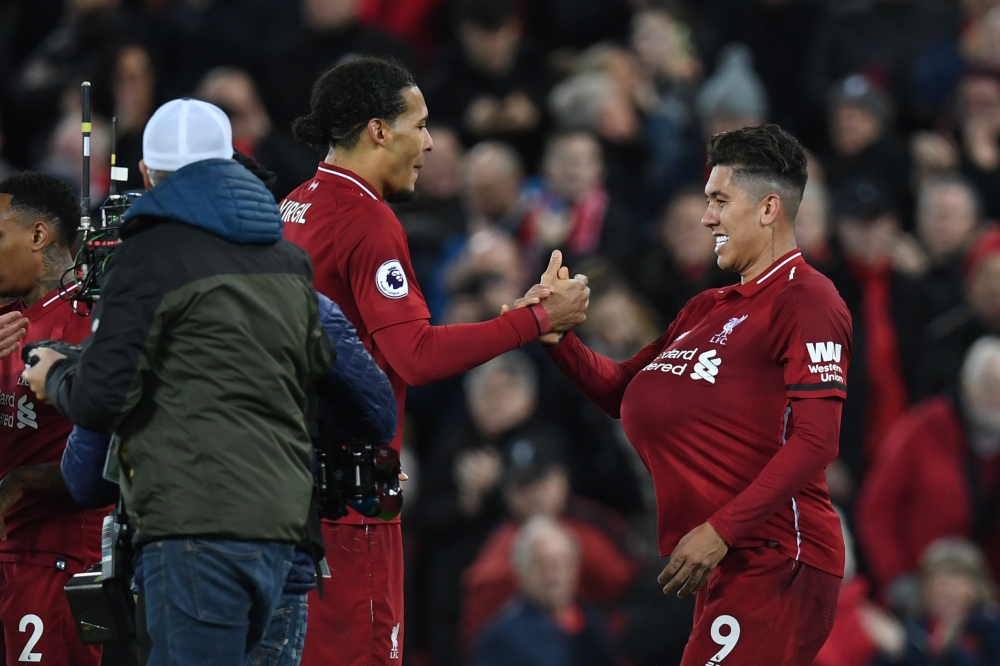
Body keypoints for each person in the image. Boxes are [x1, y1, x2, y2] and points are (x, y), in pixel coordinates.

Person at [280, 55, 589, 666]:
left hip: (294, 494)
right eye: (419, 126)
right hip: (349, 503)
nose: (428, 143)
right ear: (378, 132)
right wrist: (534, 322)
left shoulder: (295, 204)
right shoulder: (366, 219)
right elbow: (415, 356)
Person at [21, 98, 334, 666]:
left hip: (195, 527)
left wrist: (60, 371)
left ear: (146, 175)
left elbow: (99, 405)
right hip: (282, 539)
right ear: (229, 162)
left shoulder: (149, 258)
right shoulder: (288, 263)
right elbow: (352, 397)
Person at [534, 124, 851, 665]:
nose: (707, 218)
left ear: (769, 209)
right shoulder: (707, 307)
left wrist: (720, 530)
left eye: (719, 201)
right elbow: (622, 392)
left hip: (777, 555)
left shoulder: (807, 298)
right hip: (722, 559)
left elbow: (817, 440)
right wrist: (557, 338)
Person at [0, 172, 104, 665]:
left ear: (38, 236)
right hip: (13, 554)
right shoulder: (8, 320)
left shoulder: (89, 323)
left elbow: (117, 455)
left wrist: (24, 480)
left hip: (59, 560)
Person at [855, 336, 1000, 592]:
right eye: (989, 385)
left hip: (984, 595)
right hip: (920, 586)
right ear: (967, 384)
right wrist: (895, 577)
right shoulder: (922, 429)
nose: (996, 397)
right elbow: (875, 509)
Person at [471, 515, 616, 666]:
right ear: (522, 571)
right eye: (542, 564)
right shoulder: (501, 640)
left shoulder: (595, 622)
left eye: (563, 561)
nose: (554, 573)